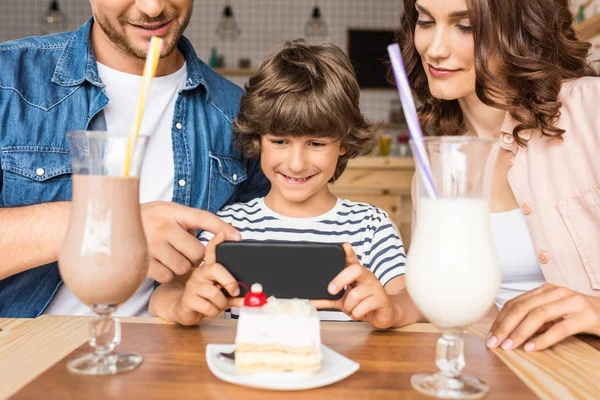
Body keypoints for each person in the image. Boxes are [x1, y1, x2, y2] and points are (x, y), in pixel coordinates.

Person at [0, 0, 269, 318]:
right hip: (21, 357)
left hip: (162, 359)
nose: (153, 8)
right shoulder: (8, 79)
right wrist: (114, 224)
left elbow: (258, 260)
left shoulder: (238, 115)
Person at [149, 39, 422, 328]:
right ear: (258, 139)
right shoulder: (227, 228)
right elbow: (164, 294)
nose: (296, 163)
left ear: (343, 142)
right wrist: (182, 304)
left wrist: (390, 308)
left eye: (316, 143)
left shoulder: (371, 227)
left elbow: (413, 300)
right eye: (280, 141)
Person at [400, 0, 600, 350]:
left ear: (519, 30)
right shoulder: (434, 170)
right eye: (426, 21)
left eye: (466, 27)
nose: (435, 48)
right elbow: (444, 301)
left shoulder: (590, 111)